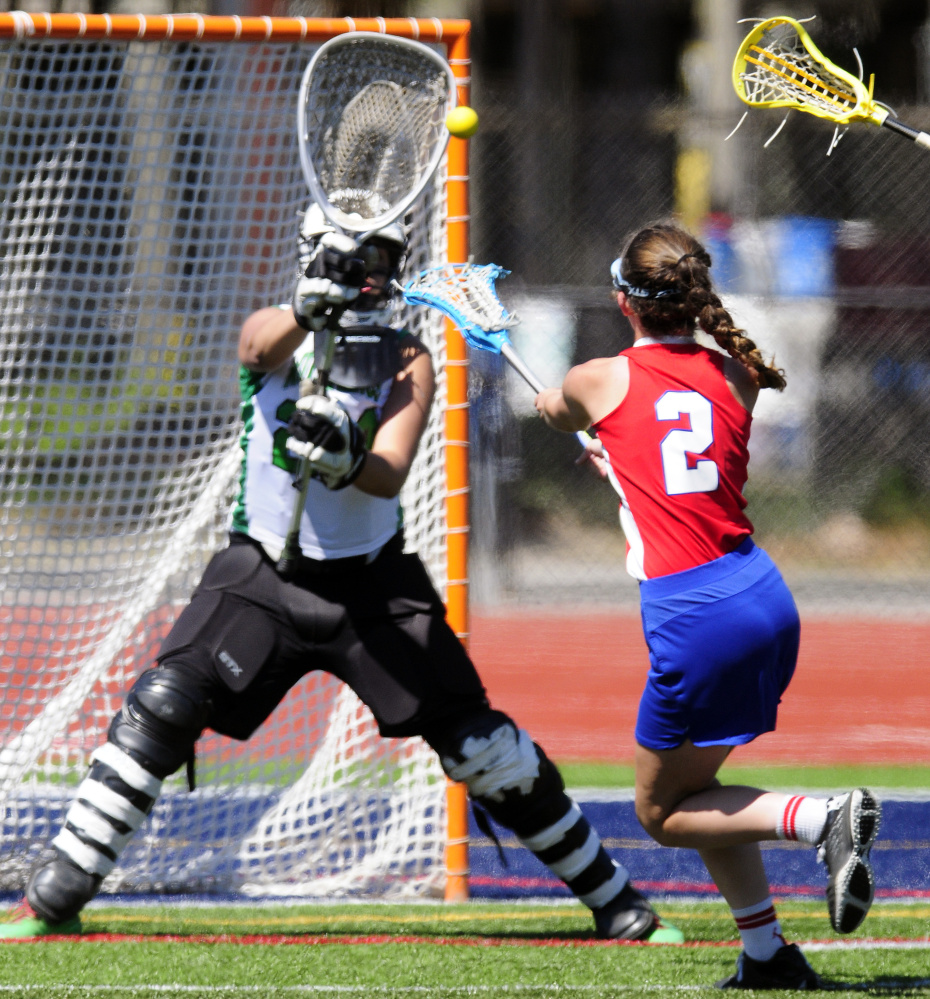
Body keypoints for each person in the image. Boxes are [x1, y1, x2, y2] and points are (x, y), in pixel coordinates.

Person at [0, 205, 682, 946]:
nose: (369, 279)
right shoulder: (279, 331)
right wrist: (303, 310)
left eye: (382, 262)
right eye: (355, 262)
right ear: (315, 258)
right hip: (264, 574)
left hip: (371, 587)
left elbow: (388, 473)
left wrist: (345, 458)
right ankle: (57, 894)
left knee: (483, 744)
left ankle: (616, 902)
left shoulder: (405, 356)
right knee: (164, 704)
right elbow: (257, 346)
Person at [534, 221, 881, 990]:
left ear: (623, 299)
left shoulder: (597, 378)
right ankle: (766, 957)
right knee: (704, 795)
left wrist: (565, 413)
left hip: (694, 615)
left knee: (662, 813)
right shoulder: (739, 372)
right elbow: (676, 459)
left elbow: (557, 410)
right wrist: (615, 456)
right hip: (761, 593)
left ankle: (819, 820)